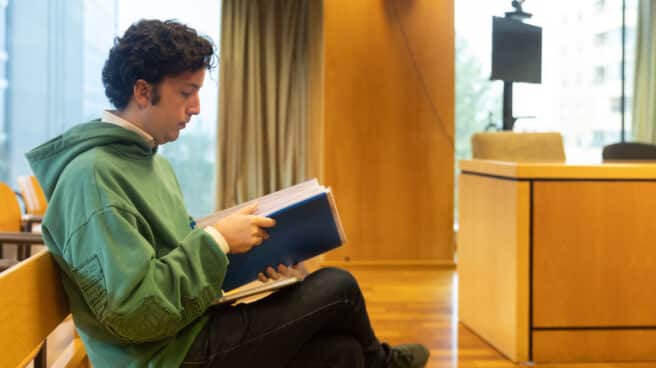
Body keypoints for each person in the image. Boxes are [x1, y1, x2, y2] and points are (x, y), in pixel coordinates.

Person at [26, 19, 430, 368]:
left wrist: (256, 268)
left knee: (341, 353)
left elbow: (178, 253)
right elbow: (134, 313)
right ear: (143, 92)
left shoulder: (151, 162)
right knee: (337, 287)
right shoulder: (92, 177)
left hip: (190, 330)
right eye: (186, 92)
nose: (197, 107)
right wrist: (218, 240)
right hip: (161, 356)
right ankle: (386, 363)